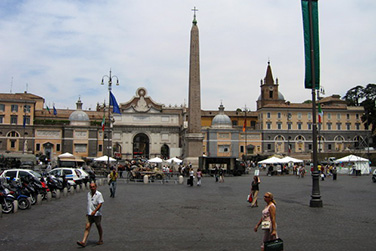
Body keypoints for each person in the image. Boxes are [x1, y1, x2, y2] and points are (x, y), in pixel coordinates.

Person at [77, 183, 104, 247]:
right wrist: (88, 212)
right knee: (87, 227)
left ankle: (100, 239)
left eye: (93, 187)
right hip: (89, 213)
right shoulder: (88, 194)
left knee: (98, 226)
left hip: (97, 214)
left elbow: (100, 204)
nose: (92, 188)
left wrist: (95, 211)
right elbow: (89, 204)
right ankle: (83, 241)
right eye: (91, 187)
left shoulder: (99, 194)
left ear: (96, 187)